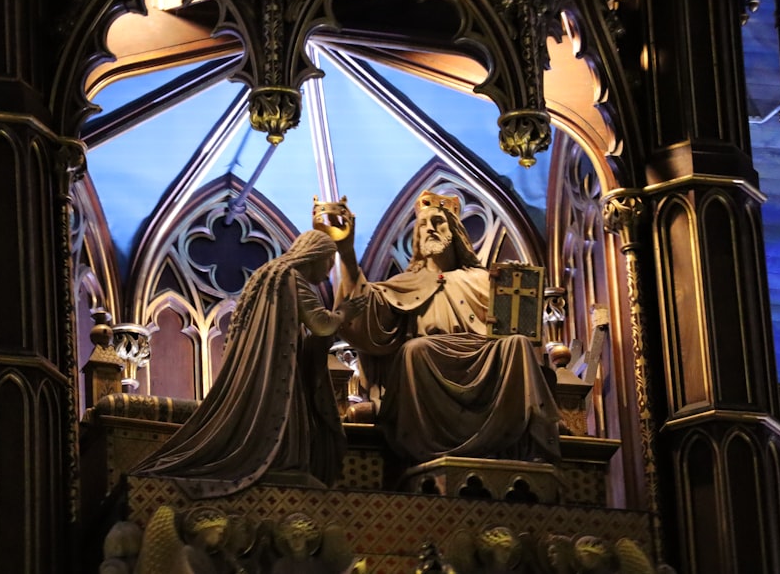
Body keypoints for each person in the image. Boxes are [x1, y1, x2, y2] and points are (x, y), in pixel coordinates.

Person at [331, 190, 561, 464]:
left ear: (454, 231)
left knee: (518, 345)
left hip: (485, 357)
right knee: (415, 350)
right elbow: (364, 316)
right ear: (415, 238)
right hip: (431, 358)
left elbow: (520, 329)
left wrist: (516, 289)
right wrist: (346, 253)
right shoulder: (405, 284)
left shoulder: (482, 279)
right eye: (423, 225)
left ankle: (531, 441)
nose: (430, 228)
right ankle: (426, 452)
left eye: (438, 222)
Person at [134, 230, 367, 495]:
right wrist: (344, 312)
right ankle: (283, 464)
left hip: (266, 373)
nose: (327, 275)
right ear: (313, 255)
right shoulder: (291, 277)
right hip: (278, 374)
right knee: (284, 423)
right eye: (327, 265)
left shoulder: (268, 275)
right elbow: (322, 325)